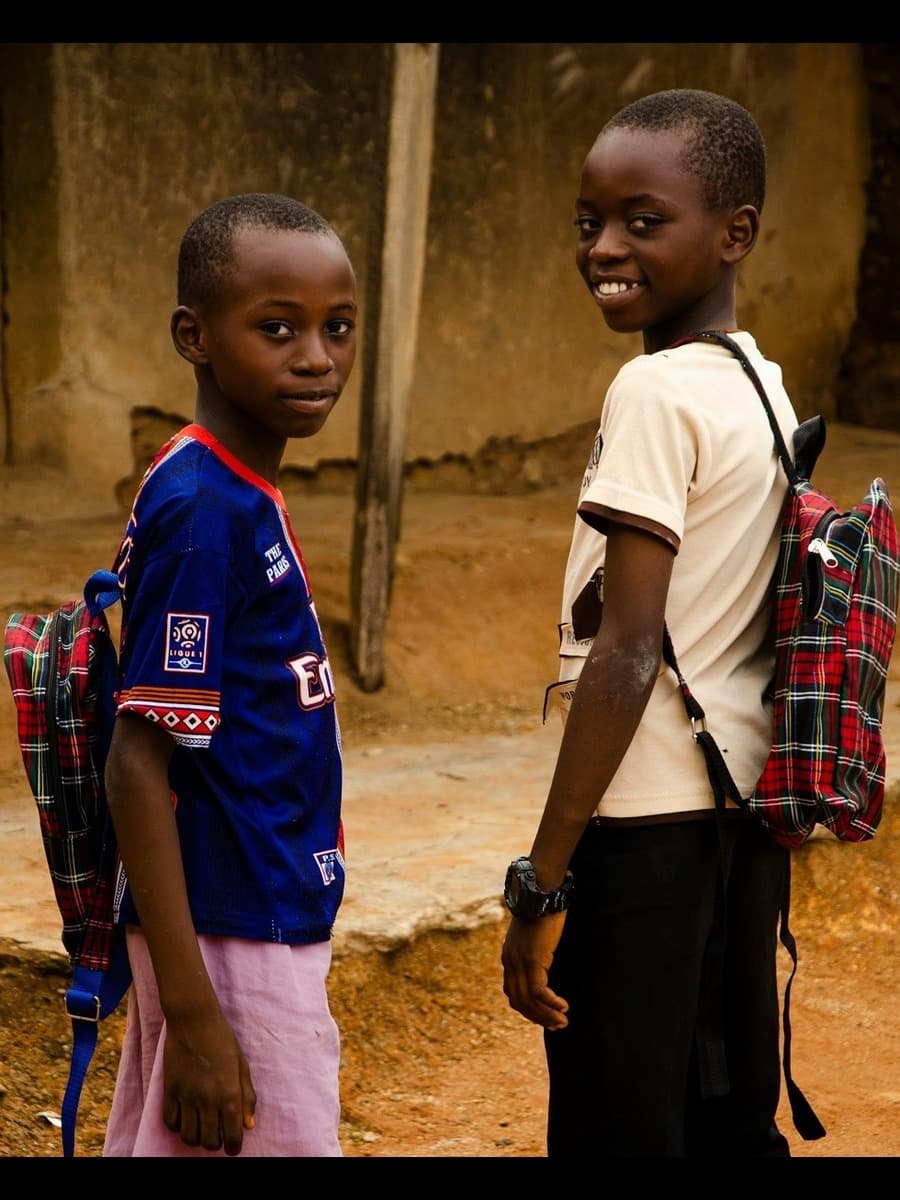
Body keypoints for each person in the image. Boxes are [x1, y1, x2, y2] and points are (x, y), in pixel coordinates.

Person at [501, 89, 804, 1157]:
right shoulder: (761, 386)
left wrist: (544, 877)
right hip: (738, 820)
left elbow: (627, 650)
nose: (605, 248)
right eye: (590, 222)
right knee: (722, 1116)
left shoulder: (654, 395)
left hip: (641, 835)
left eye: (643, 219)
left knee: (616, 1125)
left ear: (735, 234)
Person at [102, 193, 358, 1157]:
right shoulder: (207, 512)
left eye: (337, 328)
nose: (316, 357)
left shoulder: (236, 488)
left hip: (254, 909)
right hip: (230, 928)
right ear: (194, 337)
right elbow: (140, 763)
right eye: (277, 328)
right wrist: (198, 1016)